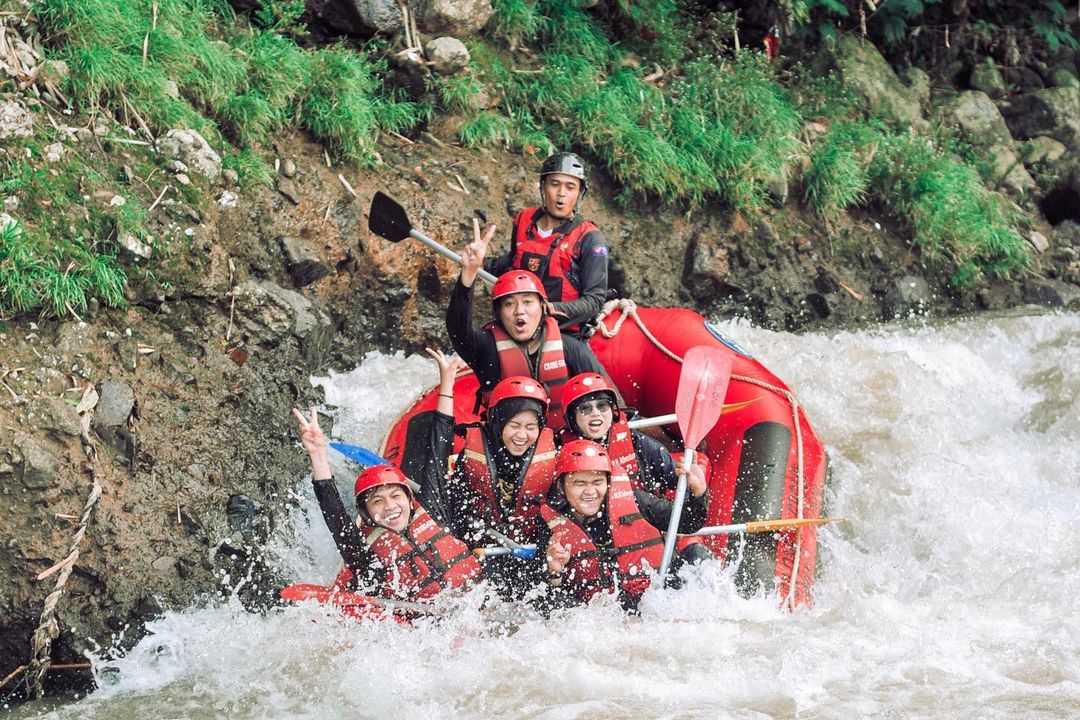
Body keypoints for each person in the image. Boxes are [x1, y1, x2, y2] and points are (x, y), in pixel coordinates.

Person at [292, 405, 482, 601]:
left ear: (410, 502)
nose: (390, 505)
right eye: (378, 501)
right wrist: (318, 455)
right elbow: (334, 515)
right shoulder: (367, 557)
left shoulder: (436, 515)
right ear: (366, 514)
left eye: (395, 496)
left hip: (478, 607)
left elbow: (438, 454)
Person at [447, 234, 608, 429]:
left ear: (543, 306)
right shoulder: (486, 348)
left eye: (527, 301)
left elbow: (608, 398)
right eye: (509, 304)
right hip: (509, 447)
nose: (519, 311)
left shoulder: (570, 348)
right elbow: (457, 329)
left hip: (561, 442)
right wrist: (468, 276)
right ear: (499, 313)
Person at [426, 372, 558, 600]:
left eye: (530, 427)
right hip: (478, 553)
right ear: (497, 421)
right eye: (514, 425)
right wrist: (447, 385)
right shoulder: (470, 458)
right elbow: (437, 460)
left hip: (530, 553)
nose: (522, 435)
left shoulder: (550, 457)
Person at [541, 440, 713, 611]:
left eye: (597, 482)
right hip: (600, 618)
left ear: (608, 483)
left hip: (656, 602)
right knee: (552, 602)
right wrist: (554, 573)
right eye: (579, 483)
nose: (590, 492)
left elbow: (689, 522)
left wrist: (699, 492)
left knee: (697, 554)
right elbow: (539, 593)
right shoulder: (550, 525)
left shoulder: (635, 500)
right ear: (561, 487)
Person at [479, 152, 609, 333]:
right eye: (554, 184)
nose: (561, 194)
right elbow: (513, 262)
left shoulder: (590, 238)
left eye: (570, 187)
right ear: (543, 186)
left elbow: (594, 300)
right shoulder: (523, 220)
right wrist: (481, 262)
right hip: (517, 326)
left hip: (561, 332)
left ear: (580, 193)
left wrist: (549, 310)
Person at [559, 372, 708, 498]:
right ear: (572, 418)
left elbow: (671, 477)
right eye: (585, 409)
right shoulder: (559, 450)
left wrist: (694, 486)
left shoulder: (637, 442)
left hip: (634, 519)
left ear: (613, 411)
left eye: (602, 407)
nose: (595, 413)